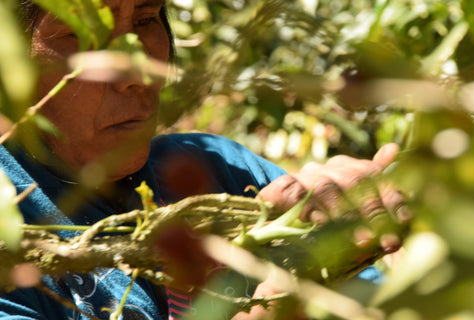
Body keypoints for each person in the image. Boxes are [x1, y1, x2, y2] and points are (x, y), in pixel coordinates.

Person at [0, 0, 405, 319]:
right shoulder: (11, 233)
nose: (137, 72)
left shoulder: (220, 170)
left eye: (144, 20)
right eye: (81, 33)